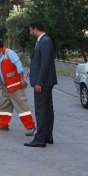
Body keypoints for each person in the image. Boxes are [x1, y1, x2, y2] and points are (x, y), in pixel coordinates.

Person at [25, 20, 57, 148]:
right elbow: (41, 63)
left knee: (41, 109)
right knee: (48, 109)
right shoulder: (44, 41)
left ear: (36, 29)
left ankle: (40, 139)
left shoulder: (44, 41)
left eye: (30, 30)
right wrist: (32, 72)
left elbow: (45, 64)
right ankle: (47, 136)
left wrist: (39, 82)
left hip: (43, 83)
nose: (30, 32)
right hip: (46, 81)